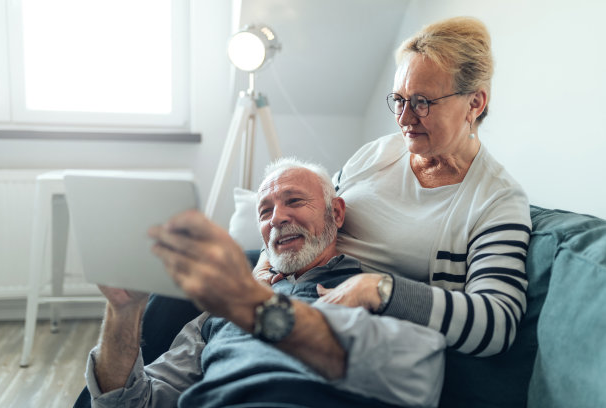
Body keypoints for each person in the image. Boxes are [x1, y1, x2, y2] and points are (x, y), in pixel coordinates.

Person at [256, 16, 531, 357]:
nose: (403, 118)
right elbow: (311, 215)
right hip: (295, 287)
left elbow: (497, 324)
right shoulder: (377, 153)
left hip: (362, 336)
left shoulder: (496, 200)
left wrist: (383, 290)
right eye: (399, 100)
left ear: (475, 103)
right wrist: (264, 266)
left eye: (422, 102)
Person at [85, 158, 445, 408]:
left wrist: (253, 305)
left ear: (335, 212)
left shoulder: (372, 288)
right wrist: (124, 311)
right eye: (264, 211)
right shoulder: (217, 312)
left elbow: (422, 375)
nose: (277, 218)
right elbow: (132, 402)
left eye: (294, 201)